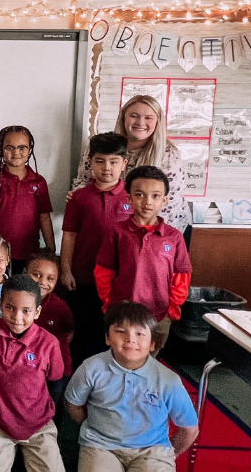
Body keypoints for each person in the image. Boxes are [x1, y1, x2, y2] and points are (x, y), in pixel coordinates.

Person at [65, 301, 199, 472]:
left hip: (152, 449)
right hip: (101, 446)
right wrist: (94, 426)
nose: (130, 339)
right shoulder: (90, 368)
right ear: (107, 338)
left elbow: (189, 429)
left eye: (140, 333)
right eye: (120, 331)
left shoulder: (168, 380)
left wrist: (168, 454)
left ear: (153, 343)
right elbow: (72, 404)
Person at [0, 275, 69, 472]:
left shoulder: (49, 343)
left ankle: (26, 458)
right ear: (0, 305)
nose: (17, 317)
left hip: (38, 426)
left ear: (37, 312)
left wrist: (47, 419)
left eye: (26, 311)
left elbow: (55, 384)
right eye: (10, 308)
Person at [95, 166, 191, 356]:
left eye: (155, 196)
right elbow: (104, 272)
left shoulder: (174, 237)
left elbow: (181, 277)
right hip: (122, 314)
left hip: (159, 315)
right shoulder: (117, 232)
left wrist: (171, 309)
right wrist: (109, 304)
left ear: (164, 200)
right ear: (129, 198)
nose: (147, 202)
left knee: (149, 363)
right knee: (121, 358)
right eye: (139, 195)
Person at [60, 132, 131, 366]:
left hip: (118, 282)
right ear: (90, 162)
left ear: (124, 163)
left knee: (113, 334)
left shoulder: (132, 198)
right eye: (100, 161)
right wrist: (66, 270)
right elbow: (69, 235)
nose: (107, 168)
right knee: (82, 334)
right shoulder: (79, 198)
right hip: (83, 278)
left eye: (113, 162)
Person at [72, 95, 189, 233]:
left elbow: (168, 203)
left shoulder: (169, 155)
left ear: (158, 122)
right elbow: (83, 180)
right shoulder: (103, 146)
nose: (140, 122)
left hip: (157, 231)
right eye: (134, 116)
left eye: (148, 118)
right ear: (123, 118)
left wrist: (138, 234)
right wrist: (77, 193)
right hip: (111, 227)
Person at [0, 126, 54, 275]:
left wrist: (51, 252)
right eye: (10, 148)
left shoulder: (38, 182)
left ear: (30, 149)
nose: (16, 153)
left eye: (22, 147)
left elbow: (44, 217)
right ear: (1, 150)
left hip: (29, 255)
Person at [28, 249, 74, 405]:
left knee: (53, 407)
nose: (42, 282)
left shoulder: (60, 307)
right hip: (29, 366)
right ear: (26, 273)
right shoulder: (18, 300)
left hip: (56, 368)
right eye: (37, 275)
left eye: (50, 278)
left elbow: (68, 334)